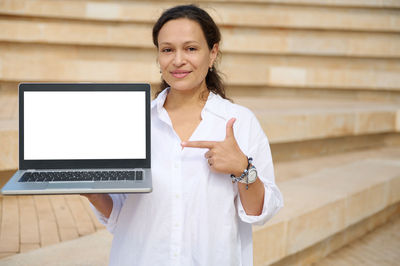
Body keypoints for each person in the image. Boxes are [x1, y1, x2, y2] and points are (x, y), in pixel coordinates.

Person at [84, 4, 283, 266]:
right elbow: (120, 215)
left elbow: (259, 212)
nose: (178, 60)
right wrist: (91, 192)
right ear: (158, 57)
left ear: (212, 53)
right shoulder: (134, 122)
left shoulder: (240, 122)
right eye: (167, 50)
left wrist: (243, 169)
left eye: (191, 48)